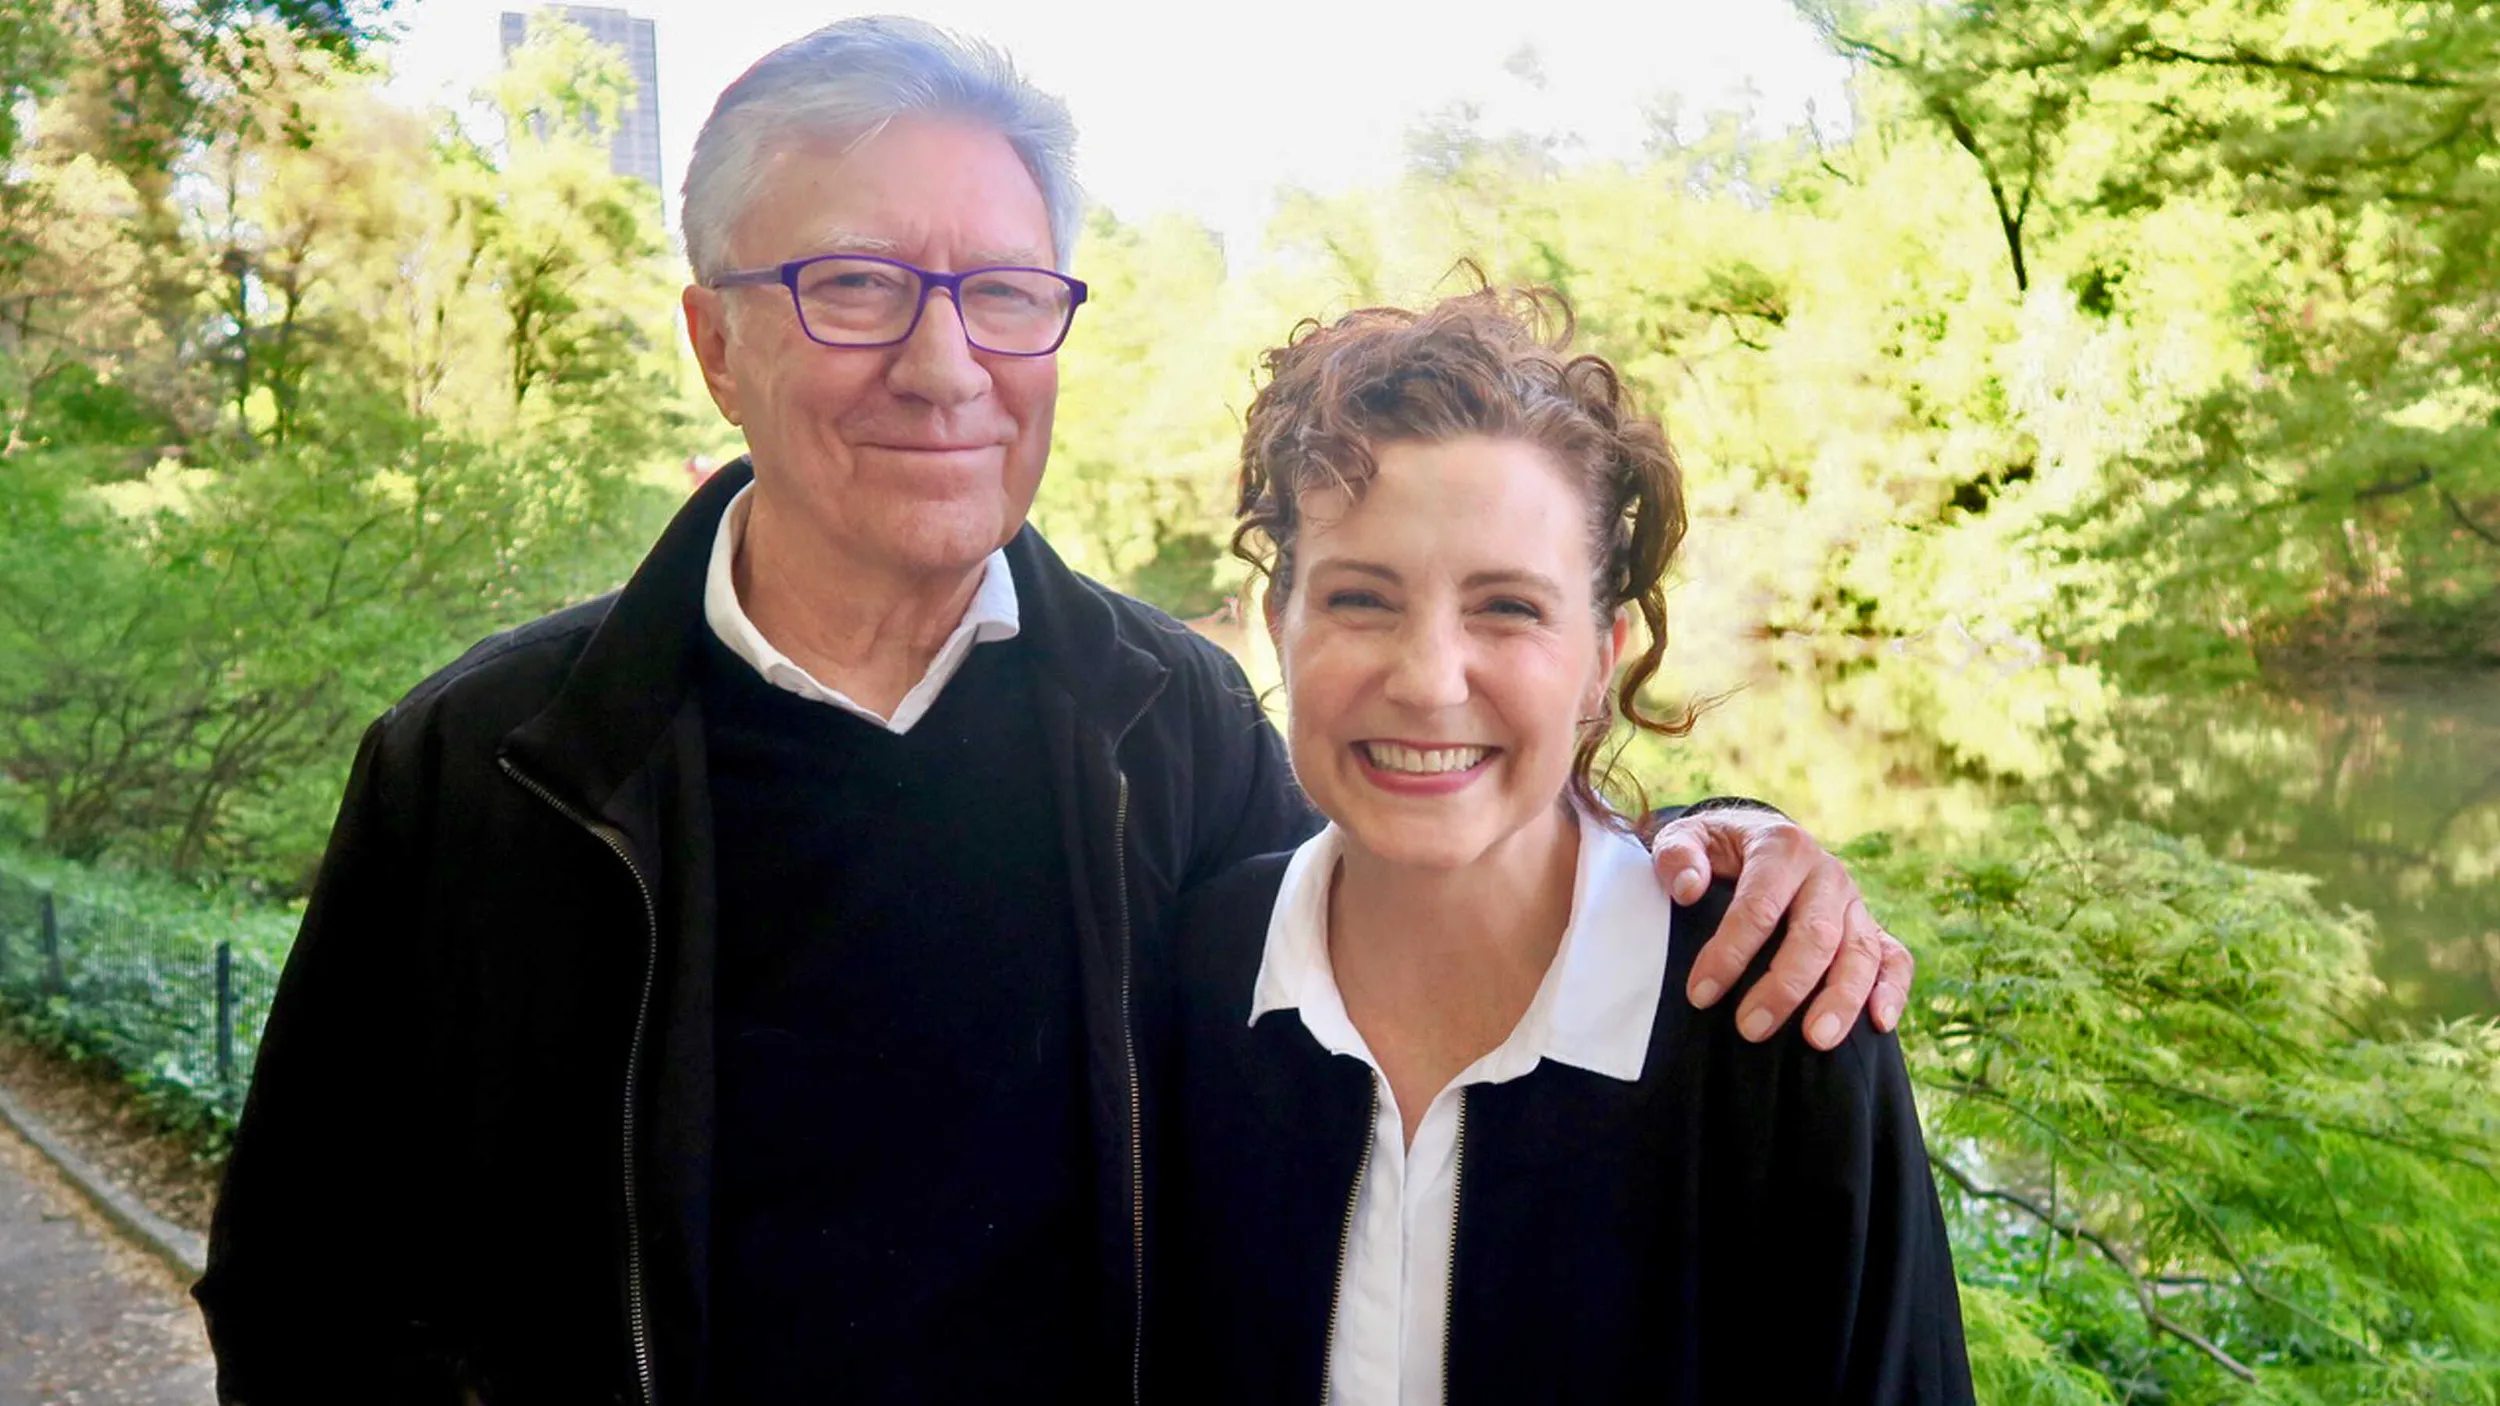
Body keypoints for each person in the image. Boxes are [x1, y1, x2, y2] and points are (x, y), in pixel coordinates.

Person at [193, 17, 1915, 1405]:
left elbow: (1423, 910)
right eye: (855, 285)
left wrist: (1722, 854)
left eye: (1004, 294)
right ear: (716, 342)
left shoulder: (1168, 728)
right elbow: (301, 1287)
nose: (943, 365)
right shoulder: (494, 765)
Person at [1148, 289, 1971, 1404]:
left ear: (1601, 658)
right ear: (1276, 623)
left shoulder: (1775, 1019)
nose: (1428, 679)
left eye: (1508, 608)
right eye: (1361, 599)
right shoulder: (1185, 980)